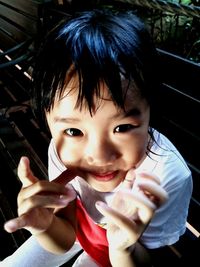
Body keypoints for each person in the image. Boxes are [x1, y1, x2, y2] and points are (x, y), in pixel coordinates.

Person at [2, 8, 192, 267]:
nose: (99, 156)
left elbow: (151, 259)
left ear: (150, 112)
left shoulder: (166, 177)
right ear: (48, 120)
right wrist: (44, 227)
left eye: (123, 127)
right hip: (82, 228)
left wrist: (122, 247)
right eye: (74, 131)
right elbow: (67, 235)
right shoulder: (62, 150)